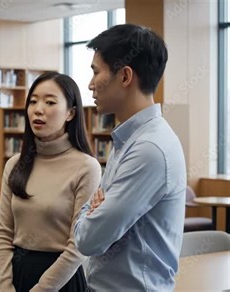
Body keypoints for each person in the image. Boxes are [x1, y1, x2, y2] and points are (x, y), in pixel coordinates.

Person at [74, 24, 187, 291]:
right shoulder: (128, 139)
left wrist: (90, 210)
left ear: (125, 76)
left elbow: (89, 240)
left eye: (96, 72)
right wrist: (93, 208)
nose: (90, 84)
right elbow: (94, 216)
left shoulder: (149, 149)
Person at [0, 71, 102, 292]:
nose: (38, 109)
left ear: (71, 113)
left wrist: (42, 289)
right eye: (32, 101)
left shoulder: (86, 167)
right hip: (18, 275)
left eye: (50, 102)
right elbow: (4, 233)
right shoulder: (15, 164)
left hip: (62, 280)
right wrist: (5, 286)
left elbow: (78, 245)